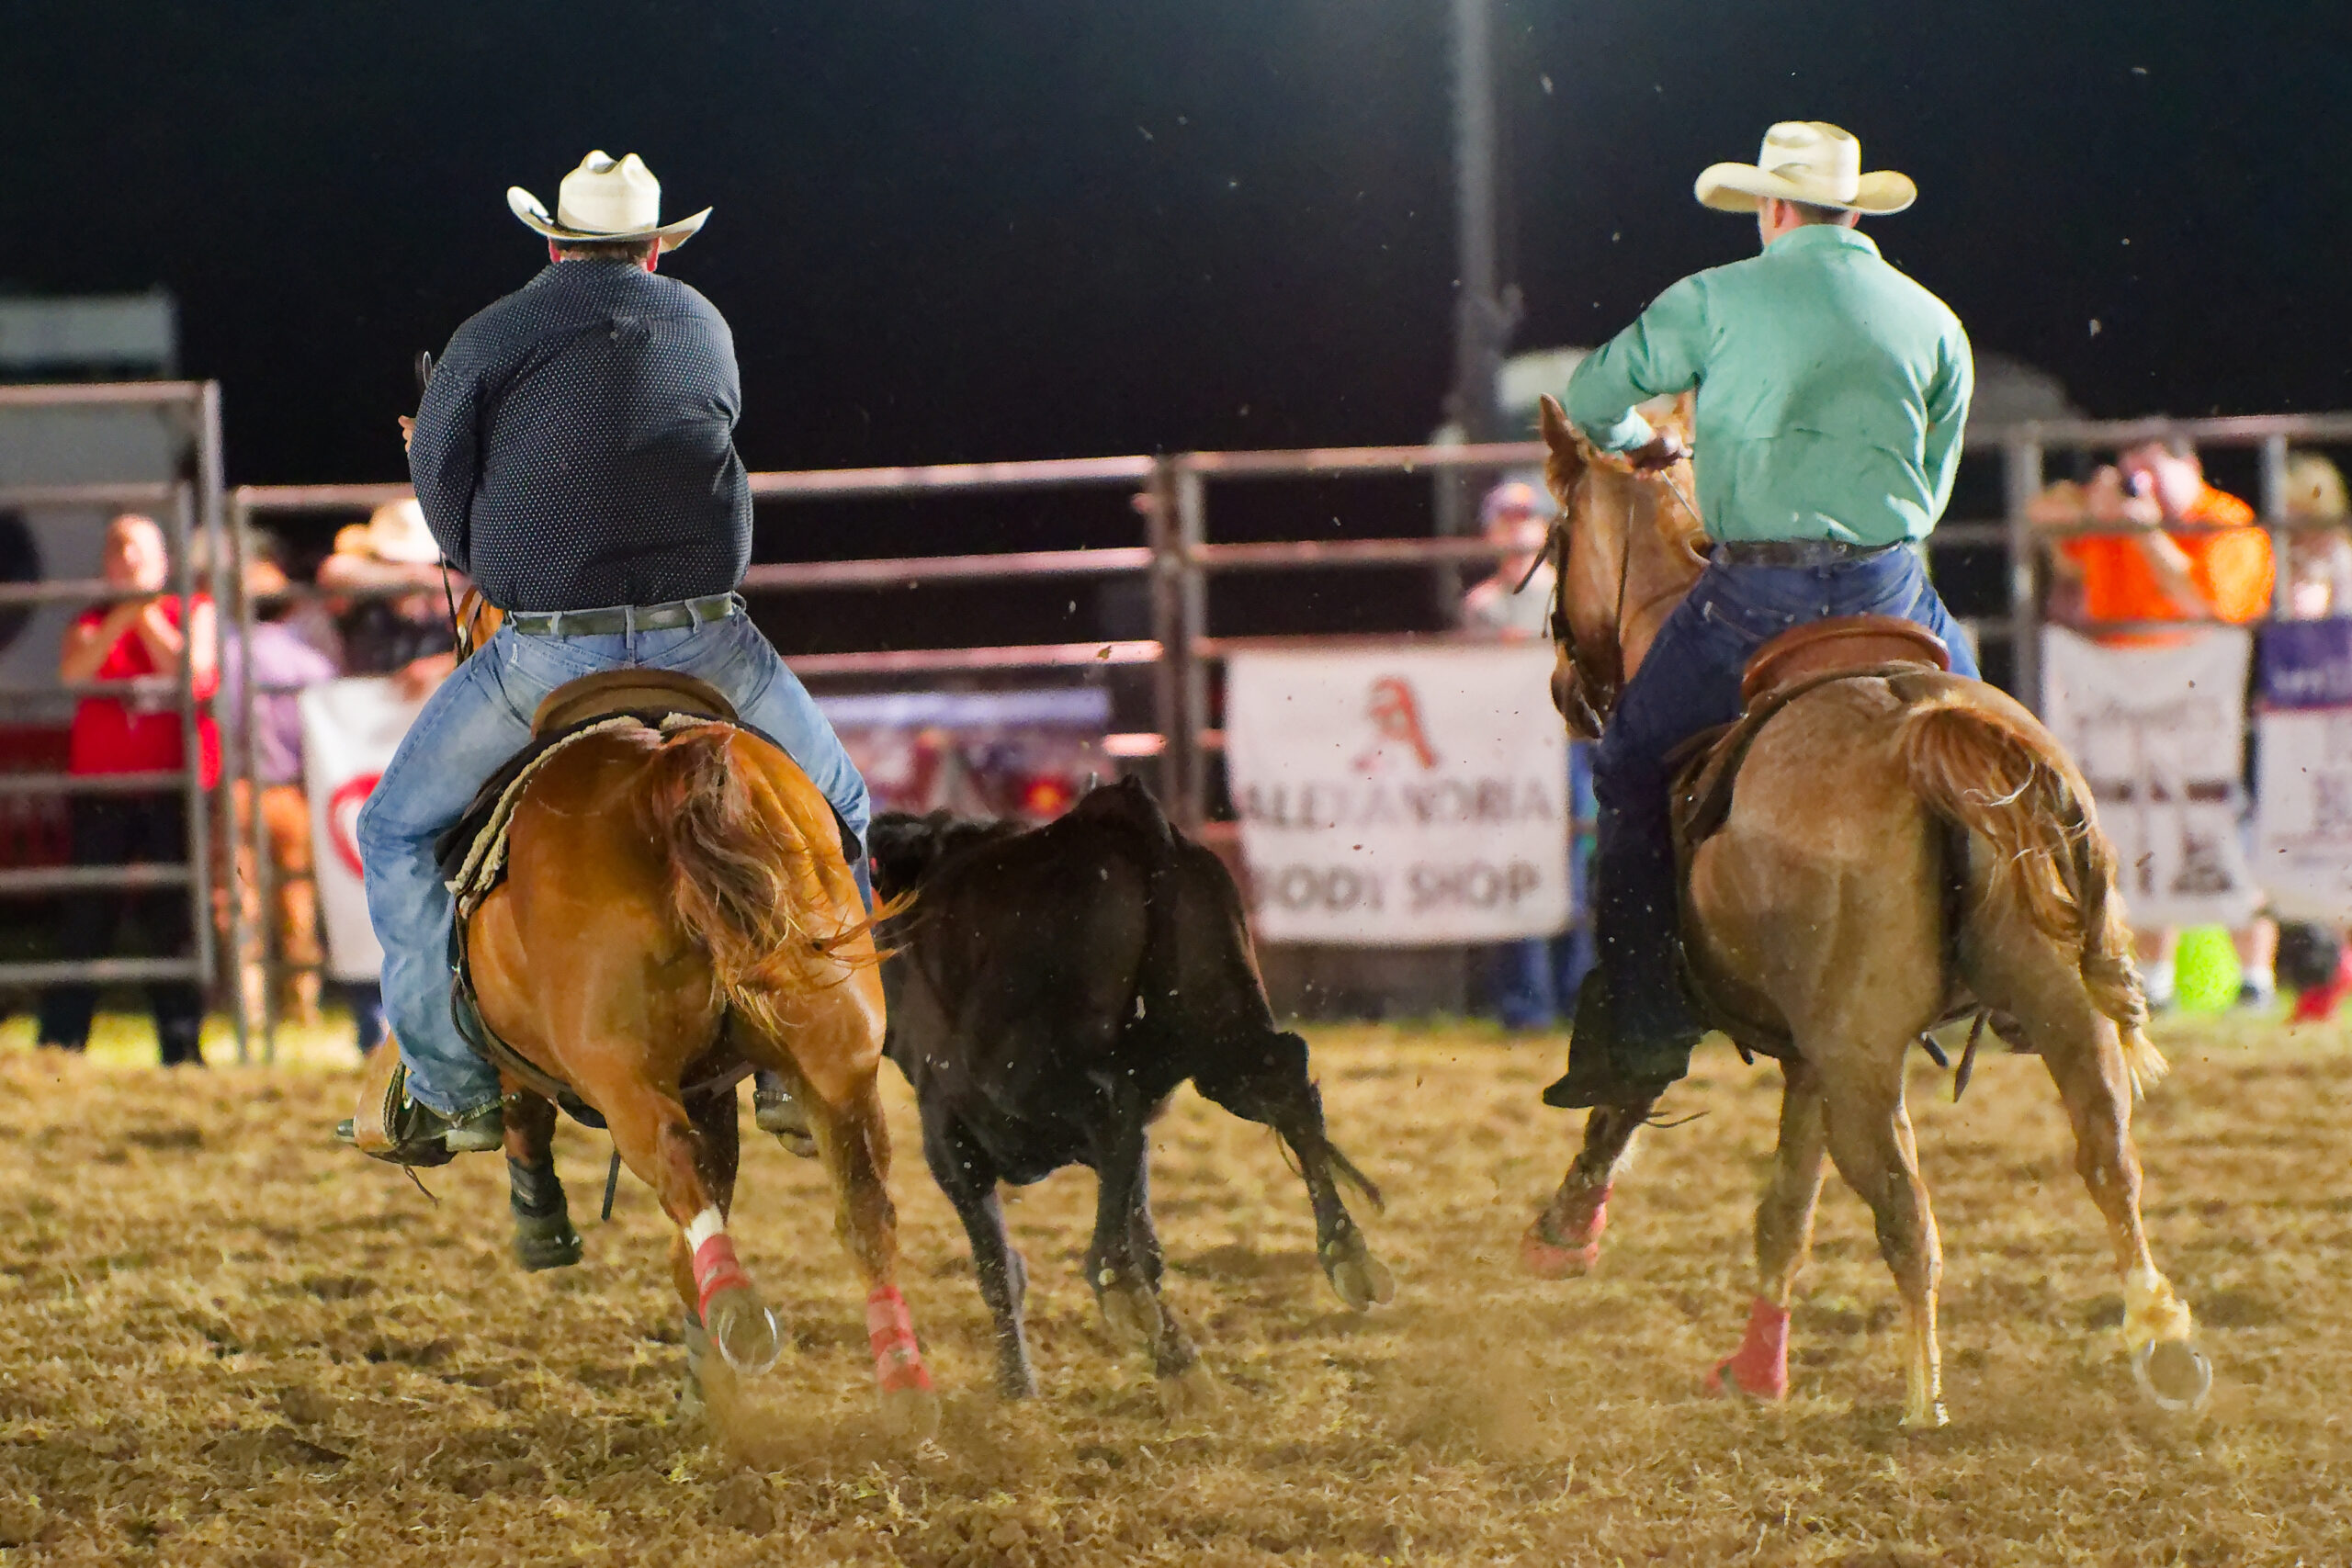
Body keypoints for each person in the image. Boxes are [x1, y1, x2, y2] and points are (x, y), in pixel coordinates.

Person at [345, 152, 871, 1162]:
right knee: (840, 809)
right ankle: (809, 1052)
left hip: (547, 654)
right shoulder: (702, 325)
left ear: (553, 240)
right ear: (657, 247)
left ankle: (452, 1088)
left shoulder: (491, 333)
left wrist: (477, 521)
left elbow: (447, 500)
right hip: (707, 641)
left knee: (396, 834)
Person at [1545, 122, 1977, 1107]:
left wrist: (1637, 446)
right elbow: (1935, 482)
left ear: (1769, 211)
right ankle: (2023, 952)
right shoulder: (1931, 319)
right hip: (1891, 591)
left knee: (1624, 767)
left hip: (1752, 598)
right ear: (1855, 209)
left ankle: (1648, 1015)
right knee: (1996, 758)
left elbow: (1588, 397)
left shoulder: (1713, 298)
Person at [2043, 440, 2278, 1010]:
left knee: (2216, 820)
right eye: (2130, 472)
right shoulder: (2115, 521)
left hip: (2202, 701)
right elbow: (2060, 551)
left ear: (2190, 467)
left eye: (2151, 469)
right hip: (2123, 696)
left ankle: (2256, 979)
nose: (2138, 483)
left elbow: (2210, 603)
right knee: (2135, 827)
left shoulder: (2225, 521)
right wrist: (2083, 506)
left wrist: (2146, 532)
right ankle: (2155, 980)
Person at [36, 513, 220, 1065]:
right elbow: (77, 674)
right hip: (103, 792)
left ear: (165, 562)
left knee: (174, 918)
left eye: (140, 550)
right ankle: (60, 1046)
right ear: (105, 566)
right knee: (87, 917)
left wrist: (145, 614)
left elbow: (192, 674)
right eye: (118, 551)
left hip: (173, 787)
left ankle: (182, 1048)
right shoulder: (89, 622)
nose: (129, 561)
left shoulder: (194, 612)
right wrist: (127, 613)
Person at [1461, 479, 1598, 1029]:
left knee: (1576, 866)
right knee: (1523, 866)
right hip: (1511, 753)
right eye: (1507, 518)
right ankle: (1530, 1005)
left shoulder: (1570, 591)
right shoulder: (1483, 605)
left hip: (1565, 747)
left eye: (1526, 517)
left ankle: (1570, 996)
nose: (1517, 527)